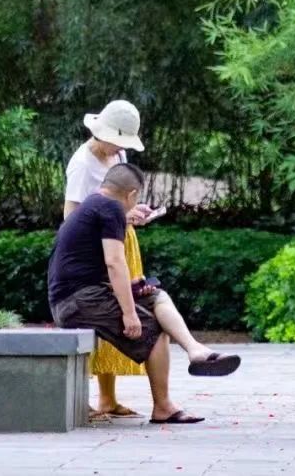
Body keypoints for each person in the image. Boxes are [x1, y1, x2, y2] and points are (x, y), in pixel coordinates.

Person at [49, 161, 241, 426]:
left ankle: (195, 349)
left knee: (155, 296)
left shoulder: (95, 205)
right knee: (153, 328)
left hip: (80, 296)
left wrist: (133, 287)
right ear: (132, 195)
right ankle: (163, 407)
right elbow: (115, 262)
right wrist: (129, 314)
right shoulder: (111, 209)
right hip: (77, 302)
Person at [64, 101, 150, 419]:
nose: (121, 148)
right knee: (94, 318)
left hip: (120, 240)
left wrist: (132, 215)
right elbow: (71, 217)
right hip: (95, 249)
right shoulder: (83, 165)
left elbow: (118, 205)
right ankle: (81, 399)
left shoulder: (118, 156)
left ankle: (108, 399)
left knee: (116, 319)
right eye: (119, 141)